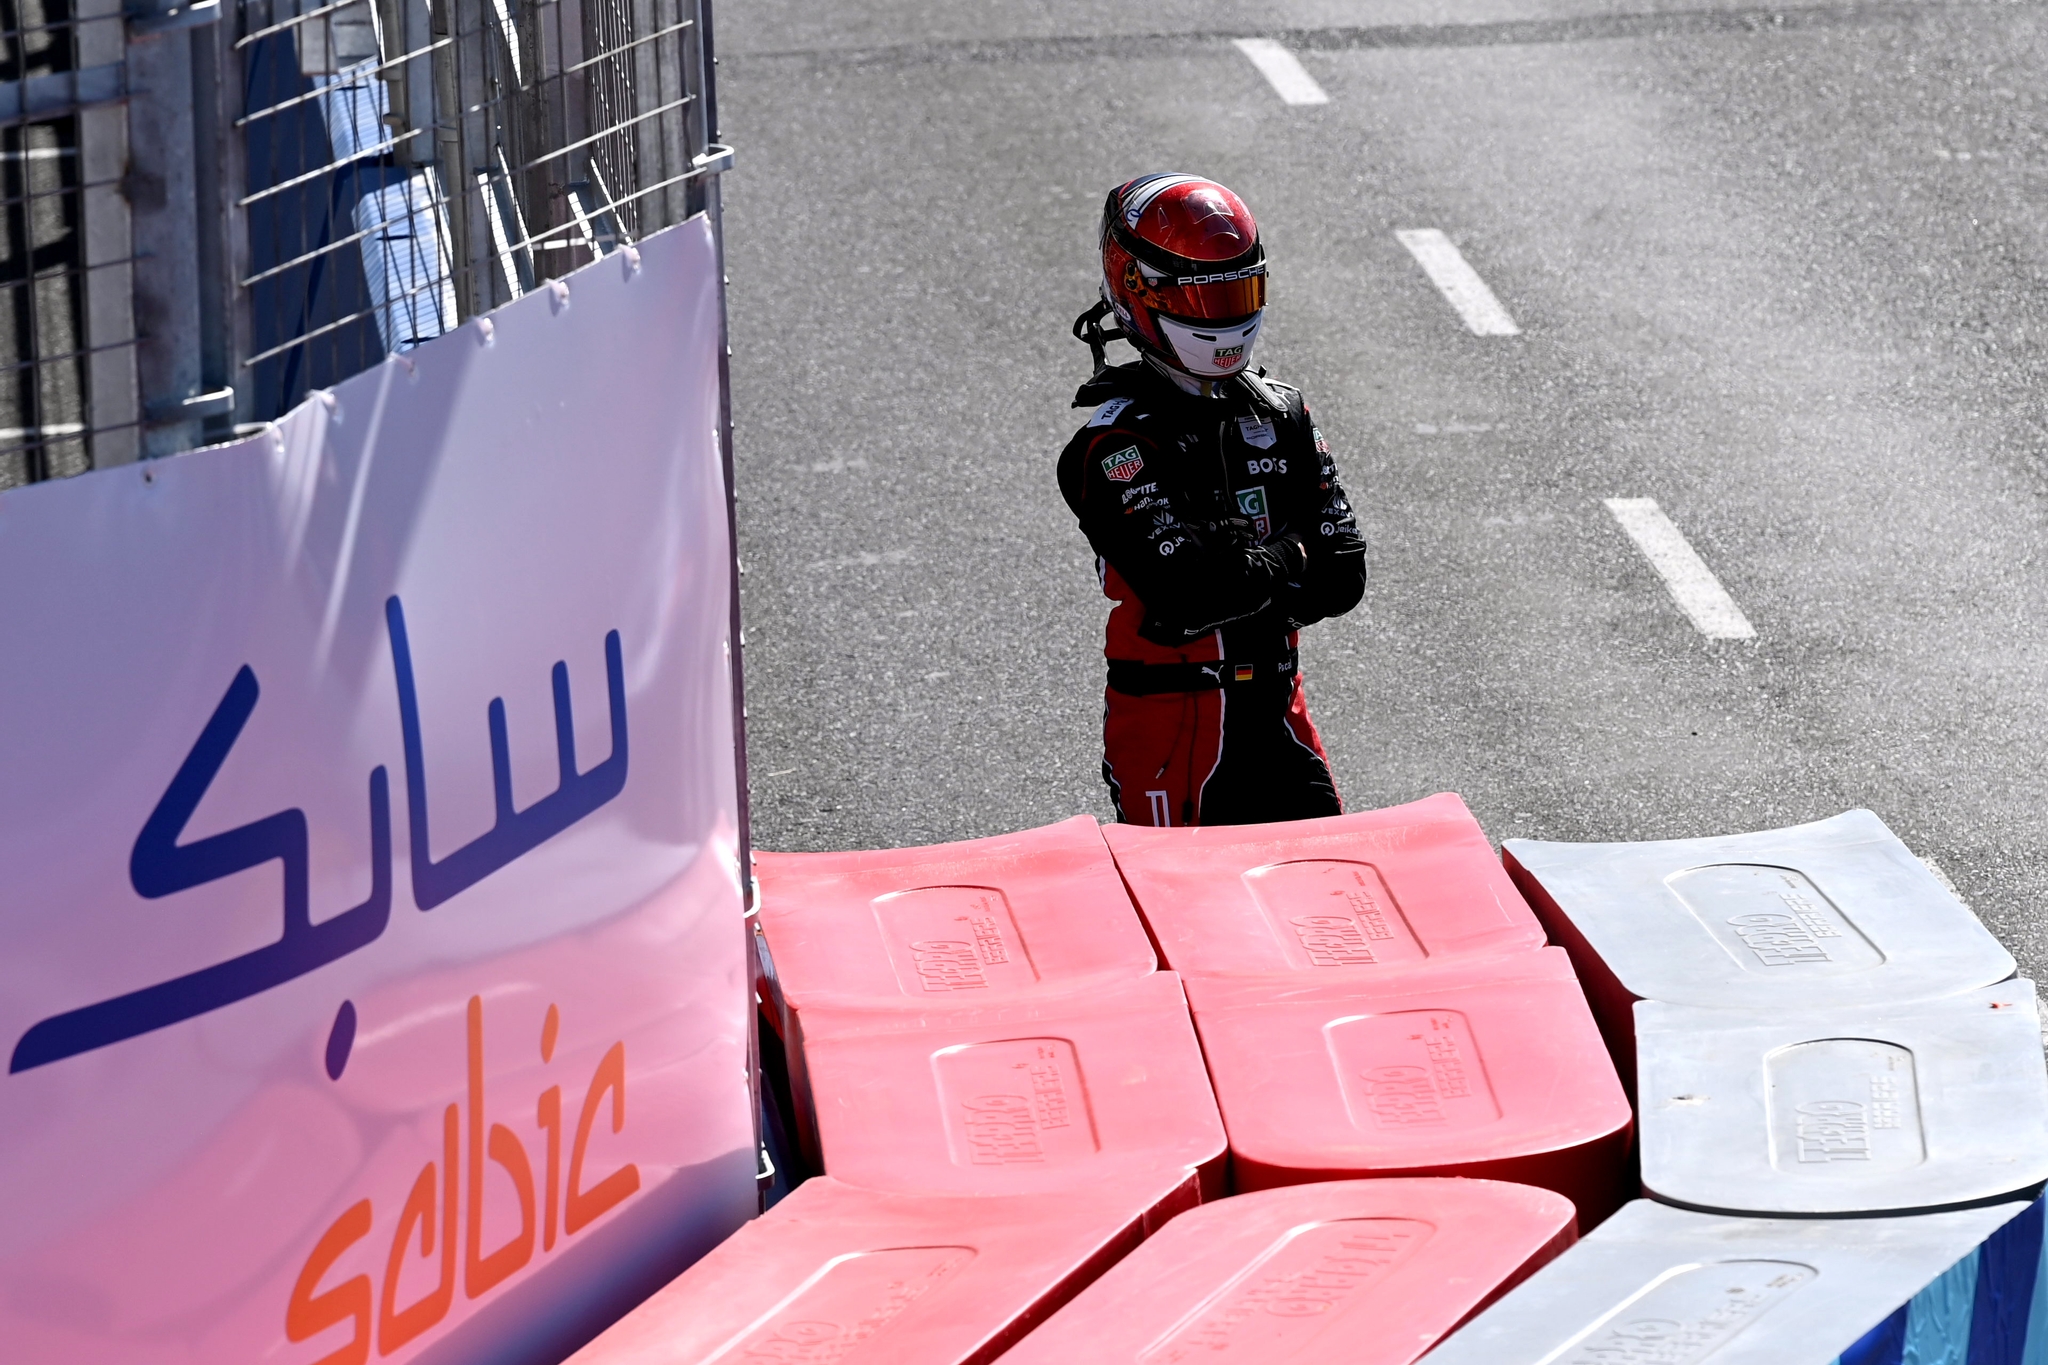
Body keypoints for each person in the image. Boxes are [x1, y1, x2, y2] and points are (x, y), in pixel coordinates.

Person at [1057, 173, 1367, 827]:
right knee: (1188, 920)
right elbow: (1188, 592)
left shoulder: (1284, 413)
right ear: (1138, 288)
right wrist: (1290, 557)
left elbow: (1343, 576)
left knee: (1332, 896)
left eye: (1238, 292)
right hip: (1171, 729)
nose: (1224, 316)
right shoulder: (1113, 441)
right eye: (1204, 297)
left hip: (1280, 715)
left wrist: (1249, 565)